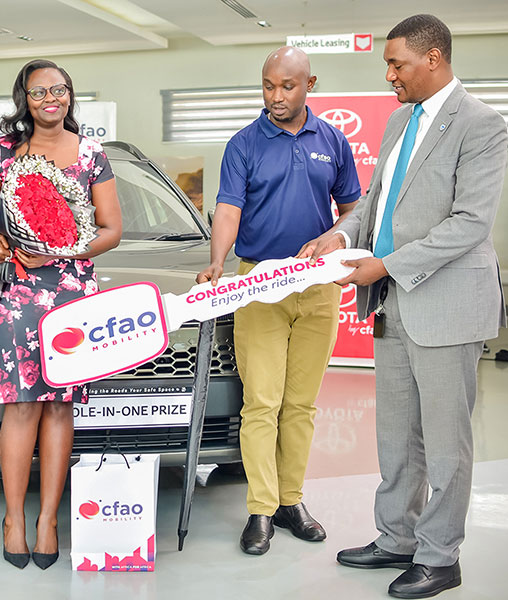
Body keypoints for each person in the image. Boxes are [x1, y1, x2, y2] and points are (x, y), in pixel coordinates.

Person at [299, 14, 507, 599]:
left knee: (445, 443)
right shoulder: (398, 121)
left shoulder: (481, 124)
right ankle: (397, 537)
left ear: (433, 58)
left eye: (397, 64)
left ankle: (440, 557)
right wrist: (339, 235)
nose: (389, 75)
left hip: (446, 304)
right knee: (396, 436)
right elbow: (375, 202)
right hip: (392, 304)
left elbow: (470, 223)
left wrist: (386, 264)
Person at [196, 47, 361, 556]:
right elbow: (228, 208)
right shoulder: (244, 143)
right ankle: (262, 509)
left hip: (316, 285)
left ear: (310, 83)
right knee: (262, 403)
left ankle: (291, 500)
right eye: (268, 85)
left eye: (287, 86)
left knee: (301, 405)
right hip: (259, 285)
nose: (276, 96)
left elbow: (352, 208)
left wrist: (336, 241)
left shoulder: (332, 140)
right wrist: (218, 260)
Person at [0, 59, 121, 569]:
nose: (50, 99)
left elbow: (111, 230)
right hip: (16, 292)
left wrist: (62, 250)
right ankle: (14, 518)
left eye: (58, 90)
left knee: (60, 406)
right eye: (38, 92)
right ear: (25, 100)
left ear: (70, 95)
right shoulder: (4, 151)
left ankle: (48, 520)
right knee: (21, 406)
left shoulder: (92, 154)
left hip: (72, 293)